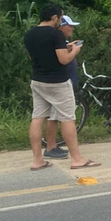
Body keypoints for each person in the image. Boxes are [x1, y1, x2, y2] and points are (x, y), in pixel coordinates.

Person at [24, 3, 99, 171]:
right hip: (57, 82)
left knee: (37, 118)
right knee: (67, 118)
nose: (60, 22)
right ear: (54, 17)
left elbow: (37, 55)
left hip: (37, 81)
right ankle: (77, 159)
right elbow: (64, 60)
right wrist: (74, 51)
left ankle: (38, 161)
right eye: (60, 17)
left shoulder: (29, 34)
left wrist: (65, 47)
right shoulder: (55, 34)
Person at [42, 14, 80, 159]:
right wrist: (73, 51)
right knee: (54, 117)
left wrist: (69, 48)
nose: (72, 29)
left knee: (55, 116)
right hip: (60, 83)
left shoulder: (62, 42)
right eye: (70, 26)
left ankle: (52, 146)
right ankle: (51, 147)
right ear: (62, 26)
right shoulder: (57, 41)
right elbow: (62, 61)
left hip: (63, 82)